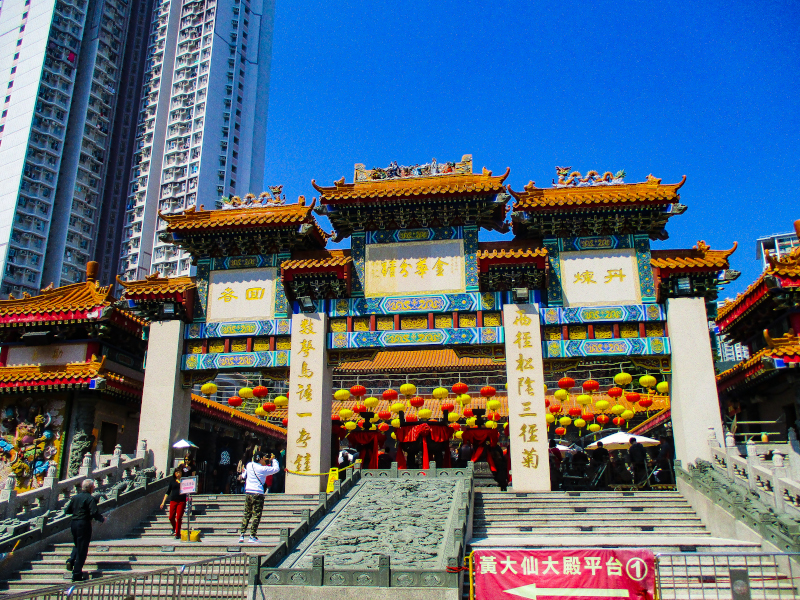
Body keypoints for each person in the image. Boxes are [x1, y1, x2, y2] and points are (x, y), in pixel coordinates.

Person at [64, 479, 105, 582]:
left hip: (74, 523)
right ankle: (77, 574)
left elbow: (67, 510)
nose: (94, 488)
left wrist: (77, 511)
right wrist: (102, 519)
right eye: (93, 487)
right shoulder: (90, 499)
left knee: (77, 544)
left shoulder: (75, 497)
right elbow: (94, 512)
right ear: (90, 488)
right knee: (82, 549)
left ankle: (71, 560)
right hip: (83, 523)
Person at [239, 452, 279, 543]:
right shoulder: (262, 469)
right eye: (263, 458)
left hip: (248, 492)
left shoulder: (249, 465)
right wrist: (273, 460)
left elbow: (245, 473)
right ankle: (252, 536)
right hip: (258, 493)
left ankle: (242, 535)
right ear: (260, 459)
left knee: (247, 513)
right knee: (256, 515)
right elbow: (276, 469)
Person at [161, 468, 187, 539]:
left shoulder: (184, 481)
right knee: (171, 517)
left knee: (178, 518)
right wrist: (163, 502)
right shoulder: (172, 482)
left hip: (181, 501)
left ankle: (177, 534)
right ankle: (175, 527)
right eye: (177, 472)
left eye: (179, 472)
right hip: (173, 501)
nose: (178, 474)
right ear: (175, 474)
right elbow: (167, 492)